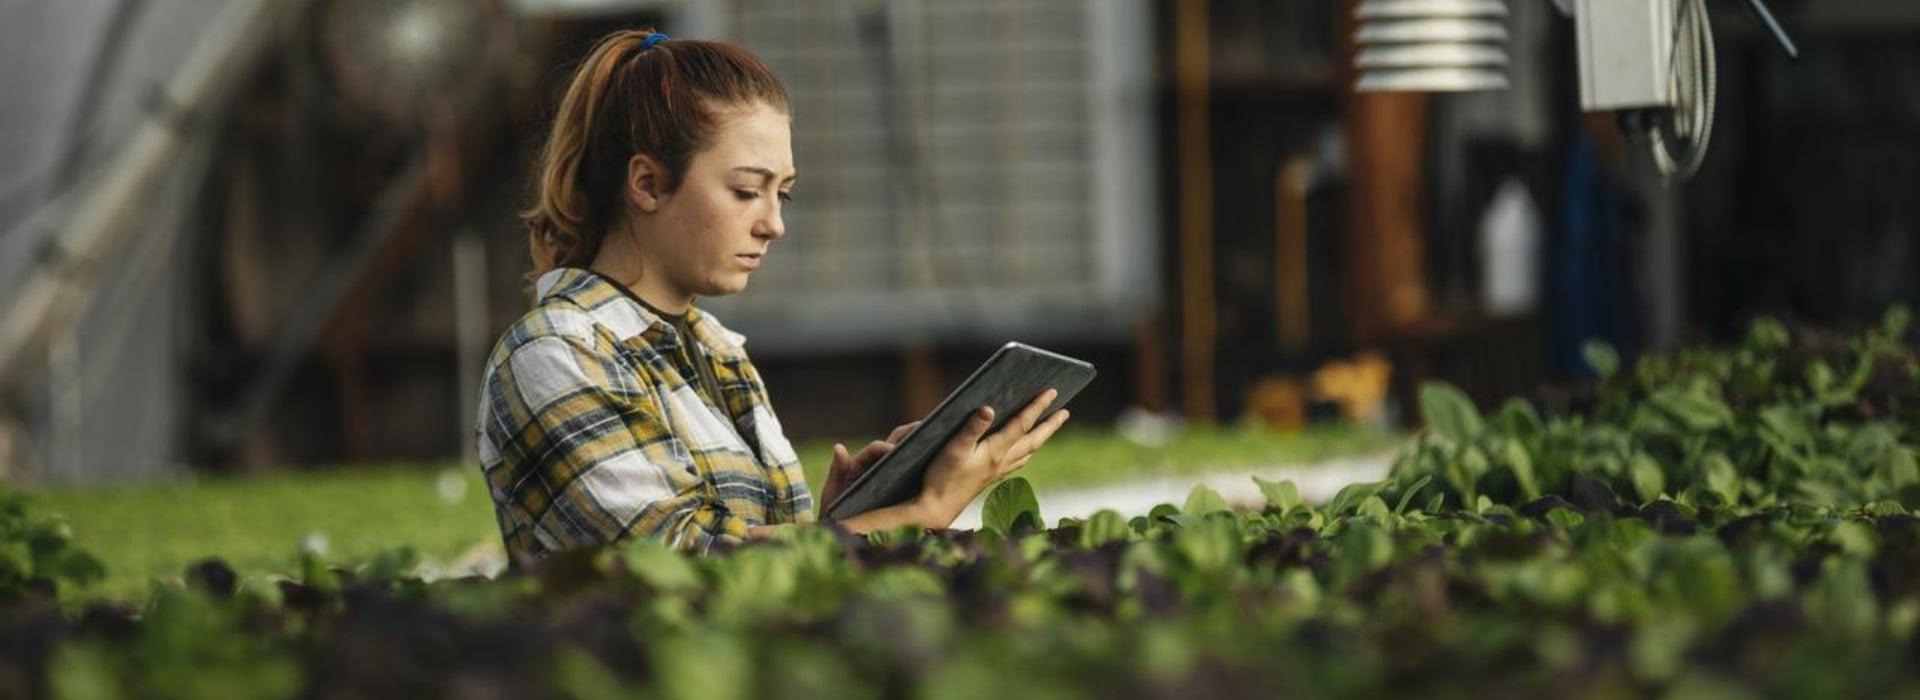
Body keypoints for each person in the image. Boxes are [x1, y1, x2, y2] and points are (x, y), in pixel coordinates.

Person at [474, 28, 1071, 560]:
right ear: (648, 184)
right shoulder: (553, 355)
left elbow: (759, 569)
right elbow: (683, 568)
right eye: (745, 191)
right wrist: (919, 516)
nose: (773, 224)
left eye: (781, 194)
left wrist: (844, 518)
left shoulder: (716, 350)